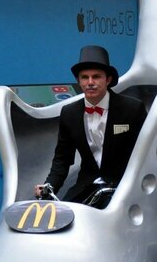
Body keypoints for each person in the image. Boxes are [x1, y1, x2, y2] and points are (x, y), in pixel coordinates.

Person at [39, 45, 146, 204]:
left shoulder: (133, 109)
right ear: (78, 81)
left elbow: (145, 154)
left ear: (107, 79)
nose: (90, 82)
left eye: (96, 76)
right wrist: (49, 186)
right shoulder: (69, 113)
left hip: (125, 188)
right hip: (86, 187)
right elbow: (62, 159)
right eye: (84, 77)